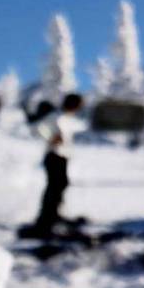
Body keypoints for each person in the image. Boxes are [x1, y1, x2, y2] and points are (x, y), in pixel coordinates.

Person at [30, 93, 85, 238]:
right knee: (54, 186)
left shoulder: (66, 118)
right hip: (54, 156)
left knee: (61, 184)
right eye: (79, 104)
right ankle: (45, 219)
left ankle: (54, 215)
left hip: (61, 157)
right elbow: (37, 129)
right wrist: (50, 137)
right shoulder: (56, 115)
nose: (80, 108)